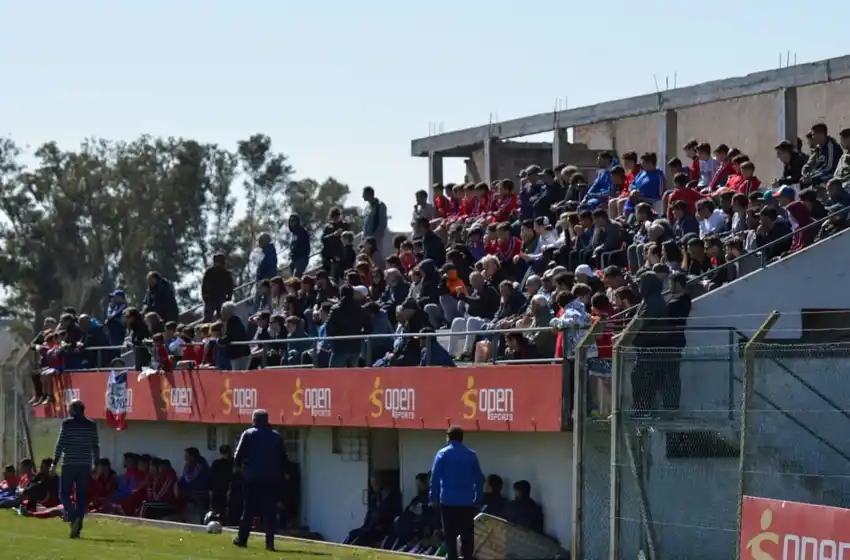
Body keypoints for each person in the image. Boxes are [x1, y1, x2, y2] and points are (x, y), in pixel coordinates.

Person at [233, 409, 287, 551]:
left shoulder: (248, 434)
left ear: (254, 420)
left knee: (248, 510)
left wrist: (240, 469)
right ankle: (270, 543)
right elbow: (283, 459)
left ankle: (242, 539)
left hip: (252, 478)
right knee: (270, 511)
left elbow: (237, 456)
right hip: (271, 478)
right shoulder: (276, 436)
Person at [429, 425, 485, 560]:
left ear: (448, 437)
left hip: (448, 502)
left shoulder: (442, 454)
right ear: (462, 438)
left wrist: (433, 498)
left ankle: (452, 557)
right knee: (467, 535)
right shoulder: (471, 455)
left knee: (450, 535)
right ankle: (467, 557)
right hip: (466, 502)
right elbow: (479, 478)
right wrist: (478, 497)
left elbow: (435, 478)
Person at [52, 399, 99, 538]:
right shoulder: (91, 425)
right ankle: (77, 525)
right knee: (81, 496)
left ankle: (72, 517)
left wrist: (54, 463)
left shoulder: (67, 424)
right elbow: (95, 445)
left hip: (69, 463)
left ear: (73, 410)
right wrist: (96, 463)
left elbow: (60, 444)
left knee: (64, 493)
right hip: (85, 464)